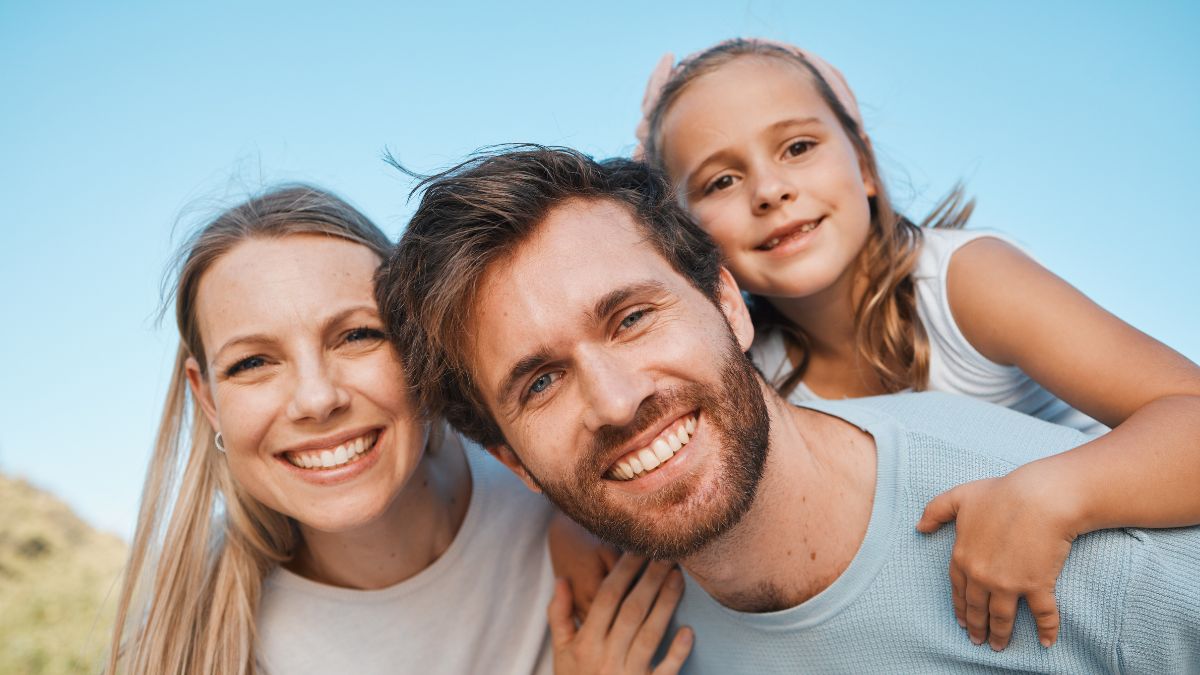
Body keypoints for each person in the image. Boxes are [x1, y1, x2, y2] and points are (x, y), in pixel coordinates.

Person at [376, 146, 1200, 673]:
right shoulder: (635, 644)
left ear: (729, 304)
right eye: (540, 383)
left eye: (631, 317)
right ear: (514, 460)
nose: (618, 401)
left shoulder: (1094, 566)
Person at [632, 38, 1200, 650]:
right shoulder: (751, 375)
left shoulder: (966, 280)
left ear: (865, 165)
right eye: (720, 180)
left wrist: (1055, 496)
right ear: (687, 238)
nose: (769, 190)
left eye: (798, 147)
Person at [104, 184, 689, 675]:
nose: (316, 399)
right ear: (207, 398)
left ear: (417, 348)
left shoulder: (565, 475)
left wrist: (578, 505)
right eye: (253, 363)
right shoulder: (195, 642)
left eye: (357, 335)